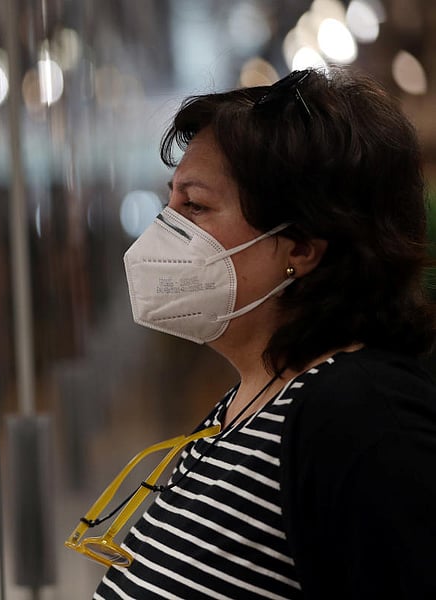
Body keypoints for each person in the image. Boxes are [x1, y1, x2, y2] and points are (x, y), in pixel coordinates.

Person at [73, 67, 436, 598]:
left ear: (302, 245)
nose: (165, 228)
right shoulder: (255, 398)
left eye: (195, 205)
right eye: (170, 201)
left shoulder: (362, 417)